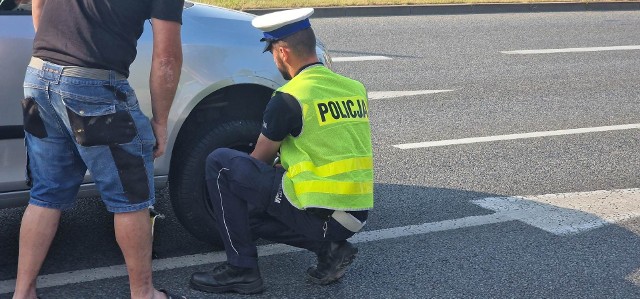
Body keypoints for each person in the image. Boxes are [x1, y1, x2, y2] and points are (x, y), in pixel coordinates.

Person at [189, 8, 374, 295]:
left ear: (283, 52)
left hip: (322, 214)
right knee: (246, 215)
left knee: (222, 165)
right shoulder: (353, 88)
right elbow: (328, 145)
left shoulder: (290, 97)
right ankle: (330, 249)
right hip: (356, 213)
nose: (274, 60)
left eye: (272, 52)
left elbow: (257, 161)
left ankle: (242, 270)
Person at [13, 1, 184, 299]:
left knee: (45, 194)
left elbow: (38, 4)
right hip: (93, 85)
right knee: (131, 198)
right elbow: (166, 59)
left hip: (38, 76)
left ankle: (23, 293)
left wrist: (57, 62)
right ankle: (144, 294)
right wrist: (160, 121)